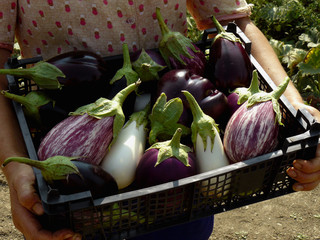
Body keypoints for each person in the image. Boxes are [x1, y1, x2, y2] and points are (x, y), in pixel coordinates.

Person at [0, 1, 319, 240]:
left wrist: (297, 109)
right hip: (72, 186)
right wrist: (16, 171)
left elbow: (235, 23)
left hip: (180, 181)